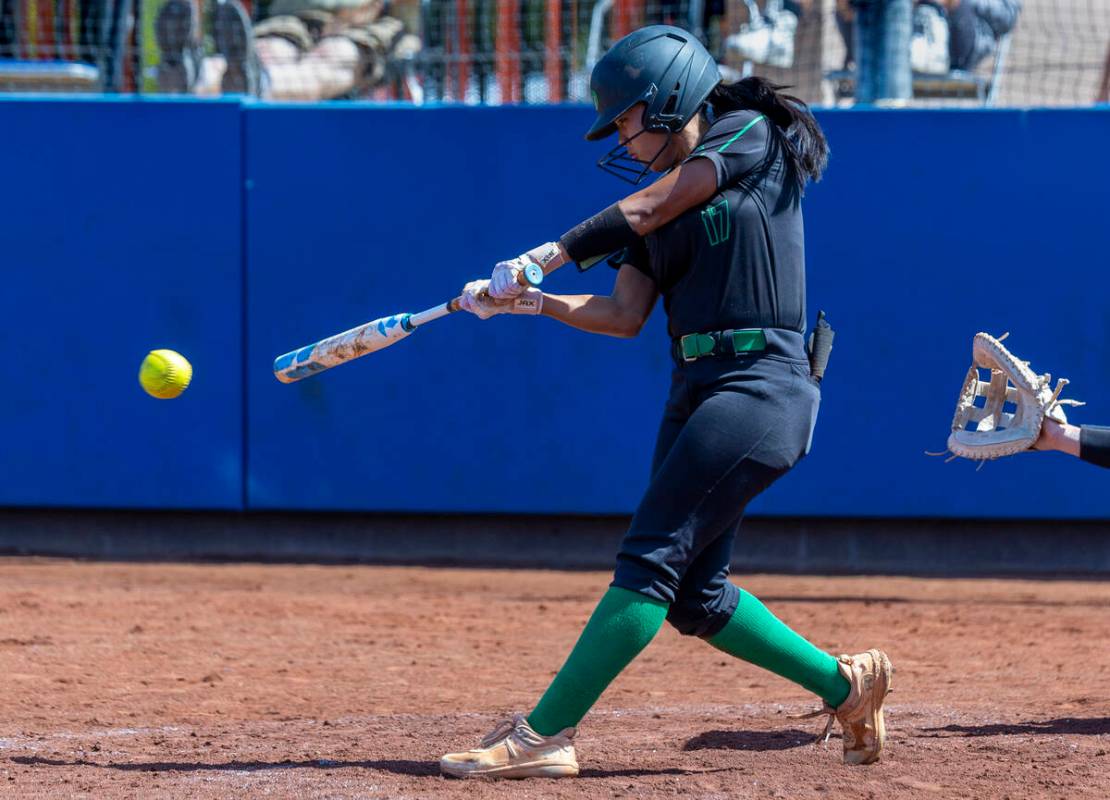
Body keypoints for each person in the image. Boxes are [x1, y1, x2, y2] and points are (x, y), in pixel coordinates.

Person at [438, 25, 893, 780]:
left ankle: (544, 735)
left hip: (762, 385)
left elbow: (649, 208)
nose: (618, 134)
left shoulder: (746, 135)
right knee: (694, 597)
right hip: (698, 390)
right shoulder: (656, 205)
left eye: (623, 117)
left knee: (649, 560)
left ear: (669, 99)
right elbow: (621, 317)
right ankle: (849, 687)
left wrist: (543, 254)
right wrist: (530, 303)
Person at [154, 0, 419, 100]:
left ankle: (259, 83)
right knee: (268, 51)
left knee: (332, 58)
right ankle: (194, 74)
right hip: (295, 17)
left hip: (370, 24)